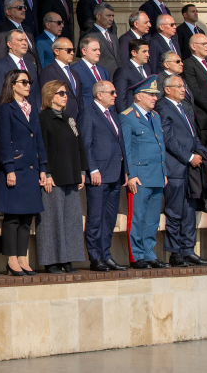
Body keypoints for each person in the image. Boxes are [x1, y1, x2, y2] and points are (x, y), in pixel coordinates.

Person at [0, 69, 47, 276]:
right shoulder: (6, 109)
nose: (28, 85)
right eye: (23, 82)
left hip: (31, 169)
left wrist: (43, 167)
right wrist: (9, 168)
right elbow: (4, 142)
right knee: (13, 217)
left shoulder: (32, 109)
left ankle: (23, 258)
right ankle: (12, 260)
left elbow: (38, 140)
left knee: (27, 217)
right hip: (15, 168)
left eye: (29, 82)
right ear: (12, 84)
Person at [156, 75, 207, 267]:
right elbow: (168, 139)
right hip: (176, 167)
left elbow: (193, 135)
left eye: (184, 85)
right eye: (179, 86)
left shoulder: (184, 109)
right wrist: (188, 157)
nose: (183, 89)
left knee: (189, 210)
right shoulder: (163, 107)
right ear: (167, 89)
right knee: (175, 211)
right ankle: (175, 252)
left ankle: (188, 249)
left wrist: (201, 153)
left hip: (191, 169)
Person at [36, 81, 87, 274]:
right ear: (50, 96)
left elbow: (79, 146)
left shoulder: (69, 119)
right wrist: (46, 173)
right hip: (54, 177)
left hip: (71, 175)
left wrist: (82, 171)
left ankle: (68, 259)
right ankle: (51, 261)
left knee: (71, 220)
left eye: (66, 93)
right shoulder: (43, 118)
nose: (65, 96)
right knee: (51, 220)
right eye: (61, 93)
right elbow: (43, 148)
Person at [120, 75, 169, 270]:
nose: (154, 98)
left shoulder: (155, 116)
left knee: (152, 220)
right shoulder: (128, 116)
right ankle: (136, 255)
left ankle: (149, 253)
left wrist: (164, 171)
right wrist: (130, 174)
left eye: (155, 95)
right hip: (140, 176)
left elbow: (160, 145)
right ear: (138, 96)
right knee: (138, 217)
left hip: (157, 174)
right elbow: (126, 148)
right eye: (150, 94)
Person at [78, 80, 127, 272]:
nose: (115, 95)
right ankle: (95, 257)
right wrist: (92, 169)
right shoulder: (88, 113)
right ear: (99, 94)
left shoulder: (113, 115)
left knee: (109, 219)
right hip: (99, 174)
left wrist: (125, 171)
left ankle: (106, 255)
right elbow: (86, 143)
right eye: (112, 92)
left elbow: (120, 144)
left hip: (115, 174)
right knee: (96, 218)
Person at [183, 33, 207, 143]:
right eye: (204, 44)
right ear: (193, 46)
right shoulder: (188, 64)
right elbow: (195, 91)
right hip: (203, 117)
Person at [0, 29, 39, 109]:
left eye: (25, 40)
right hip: (14, 113)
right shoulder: (0, 65)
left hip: (33, 114)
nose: (25, 43)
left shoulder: (31, 65)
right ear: (10, 44)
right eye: (20, 40)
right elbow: (2, 93)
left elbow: (36, 93)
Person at [39, 37, 81, 117]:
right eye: (68, 50)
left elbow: (79, 98)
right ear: (57, 51)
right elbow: (47, 98)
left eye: (73, 50)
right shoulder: (48, 71)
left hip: (77, 118)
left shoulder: (74, 73)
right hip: (60, 118)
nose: (72, 53)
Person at [0, 0, 38, 65]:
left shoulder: (28, 29)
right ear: (8, 11)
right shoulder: (1, 29)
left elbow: (35, 54)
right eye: (19, 8)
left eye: (24, 7)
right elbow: (0, 57)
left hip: (32, 71)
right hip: (16, 72)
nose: (23, 10)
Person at [71, 37, 109, 110]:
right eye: (95, 50)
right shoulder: (74, 70)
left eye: (99, 49)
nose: (99, 53)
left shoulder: (103, 71)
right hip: (86, 113)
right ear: (84, 51)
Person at [113, 39, 151, 113]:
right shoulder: (123, 71)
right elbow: (120, 99)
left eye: (147, 51)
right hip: (133, 115)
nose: (147, 54)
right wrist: (126, 117)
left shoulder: (147, 68)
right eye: (144, 51)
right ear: (134, 53)